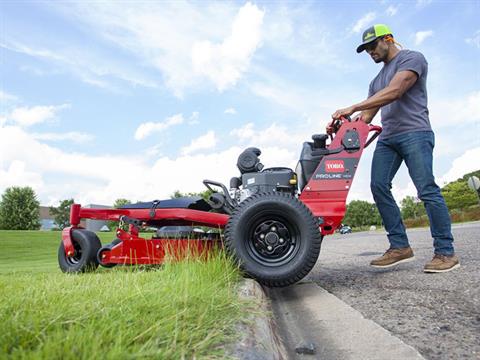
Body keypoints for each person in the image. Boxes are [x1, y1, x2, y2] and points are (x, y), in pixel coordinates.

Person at [330, 24, 459, 273]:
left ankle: (446, 252)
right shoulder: (376, 80)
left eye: (372, 46)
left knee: (427, 190)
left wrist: (352, 106)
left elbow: (396, 91)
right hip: (388, 138)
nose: (370, 52)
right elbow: (366, 117)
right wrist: (342, 127)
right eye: (366, 49)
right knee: (378, 185)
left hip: (415, 133)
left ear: (388, 39)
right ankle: (399, 246)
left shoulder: (412, 58)